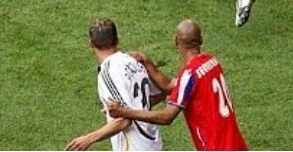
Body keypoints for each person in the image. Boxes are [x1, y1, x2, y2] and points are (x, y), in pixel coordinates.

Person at [106, 19, 247, 151]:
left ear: (175, 41)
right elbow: (170, 86)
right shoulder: (212, 61)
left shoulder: (189, 75)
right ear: (201, 39)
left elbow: (167, 117)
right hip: (237, 144)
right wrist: (146, 61)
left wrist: (124, 112)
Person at [65, 18, 163, 151]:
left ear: (90, 43)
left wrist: (89, 138)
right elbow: (159, 94)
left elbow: (124, 120)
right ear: (117, 39)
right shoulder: (133, 62)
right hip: (152, 143)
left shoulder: (108, 72)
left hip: (134, 146)